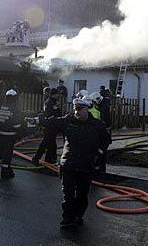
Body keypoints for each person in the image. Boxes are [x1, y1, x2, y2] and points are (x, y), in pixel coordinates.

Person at [40, 98, 111, 228]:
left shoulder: (97, 125)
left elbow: (106, 140)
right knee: (68, 193)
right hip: (69, 164)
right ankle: (68, 218)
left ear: (87, 109)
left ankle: (78, 216)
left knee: (82, 194)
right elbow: (53, 123)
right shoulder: (69, 121)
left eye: (80, 109)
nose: (76, 112)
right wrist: (40, 120)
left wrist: (99, 154)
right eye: (75, 109)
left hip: (86, 165)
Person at [0, 89, 22, 178]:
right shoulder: (15, 108)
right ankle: (5, 170)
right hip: (10, 134)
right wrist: (19, 132)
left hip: (0, 133)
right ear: (15, 98)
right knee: (8, 152)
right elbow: (17, 124)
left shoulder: (0, 106)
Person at [32, 88, 61, 165]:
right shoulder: (49, 103)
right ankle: (37, 158)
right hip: (50, 126)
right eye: (57, 94)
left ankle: (49, 159)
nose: (58, 95)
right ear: (53, 94)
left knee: (51, 144)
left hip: (53, 126)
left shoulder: (54, 102)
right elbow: (50, 115)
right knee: (45, 143)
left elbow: (58, 113)